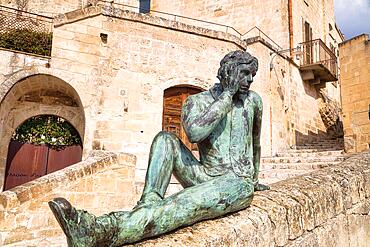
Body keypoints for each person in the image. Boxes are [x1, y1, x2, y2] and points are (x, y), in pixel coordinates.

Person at [49, 50, 269, 246]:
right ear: (229, 73)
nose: (250, 80)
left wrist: (254, 179)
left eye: (252, 75)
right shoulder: (196, 102)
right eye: (245, 74)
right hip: (205, 174)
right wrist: (226, 97)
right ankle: (149, 200)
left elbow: (256, 142)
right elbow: (195, 134)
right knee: (165, 139)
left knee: (183, 202)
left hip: (237, 182)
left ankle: (102, 229)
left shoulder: (253, 102)